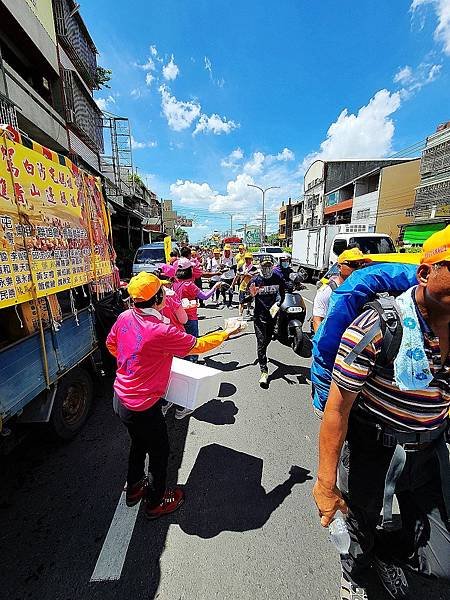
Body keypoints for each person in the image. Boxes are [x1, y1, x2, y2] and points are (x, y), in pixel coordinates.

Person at [312, 226, 450, 600]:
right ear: (425, 274)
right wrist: (325, 484)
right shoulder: (375, 326)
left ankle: (389, 557)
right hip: (375, 451)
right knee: (361, 523)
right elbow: (338, 408)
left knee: (442, 562)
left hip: (431, 452)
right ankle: (353, 575)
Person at [106, 272, 242, 519]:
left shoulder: (125, 316)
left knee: (138, 443)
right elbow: (197, 345)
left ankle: (135, 488)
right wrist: (226, 332)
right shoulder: (160, 331)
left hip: (120, 400)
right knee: (159, 452)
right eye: (163, 292)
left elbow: (112, 345)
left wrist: (135, 364)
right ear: (159, 298)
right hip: (143, 406)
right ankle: (156, 502)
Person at [173, 257, 222, 362]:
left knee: (183, 343)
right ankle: (193, 362)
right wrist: (215, 287)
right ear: (189, 270)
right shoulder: (190, 285)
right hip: (190, 318)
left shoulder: (175, 283)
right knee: (194, 342)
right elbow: (205, 296)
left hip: (178, 317)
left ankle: (185, 362)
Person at [312, 248, 371, 332]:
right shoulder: (327, 291)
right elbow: (317, 320)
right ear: (339, 267)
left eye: (362, 264)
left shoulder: (366, 288)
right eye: (353, 264)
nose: (358, 268)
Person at [249, 258, 286, 388]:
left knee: (267, 340)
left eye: (269, 266)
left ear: (272, 266)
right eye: (264, 266)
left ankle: (264, 354)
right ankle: (264, 372)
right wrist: (251, 295)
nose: (267, 269)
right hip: (259, 317)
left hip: (272, 316)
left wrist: (277, 303)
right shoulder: (255, 280)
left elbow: (282, 294)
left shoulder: (278, 278)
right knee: (261, 344)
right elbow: (246, 297)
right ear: (260, 267)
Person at [233, 251, 258, 318]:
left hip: (250, 288)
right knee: (241, 302)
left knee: (250, 300)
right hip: (242, 287)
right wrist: (232, 285)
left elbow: (256, 278)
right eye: (246, 258)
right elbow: (236, 276)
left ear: (251, 259)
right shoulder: (241, 268)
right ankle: (240, 315)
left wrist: (248, 274)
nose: (247, 260)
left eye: (249, 258)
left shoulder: (254, 269)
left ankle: (248, 310)